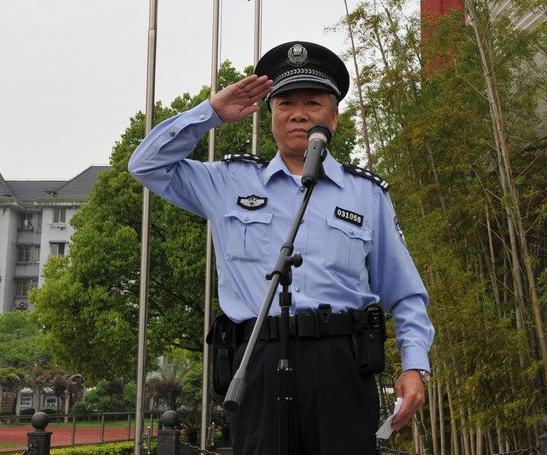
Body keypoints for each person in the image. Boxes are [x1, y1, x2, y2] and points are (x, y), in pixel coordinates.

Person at [128, 40, 434, 455]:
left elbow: (406, 292)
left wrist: (414, 366)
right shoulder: (228, 182)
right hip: (258, 360)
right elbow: (145, 164)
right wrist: (211, 113)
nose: (299, 113)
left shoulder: (366, 195)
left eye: (313, 102)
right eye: (285, 102)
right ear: (270, 113)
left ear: (334, 115)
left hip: (339, 365)